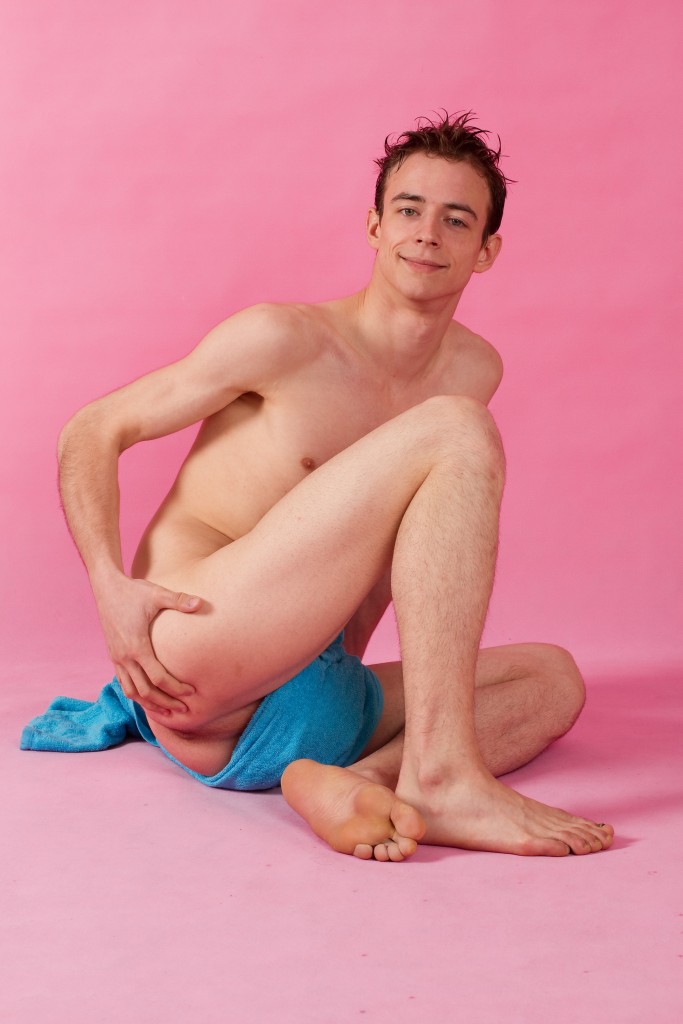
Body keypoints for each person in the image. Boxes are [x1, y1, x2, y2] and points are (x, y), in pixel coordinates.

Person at [53, 112, 613, 861]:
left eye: (456, 220)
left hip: (318, 687)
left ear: (486, 250)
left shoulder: (474, 369)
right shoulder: (283, 338)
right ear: (375, 226)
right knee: (454, 427)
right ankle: (444, 776)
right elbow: (92, 429)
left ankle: (360, 784)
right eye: (408, 210)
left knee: (554, 682)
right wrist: (108, 586)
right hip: (195, 654)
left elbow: (394, 551)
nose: (427, 234)